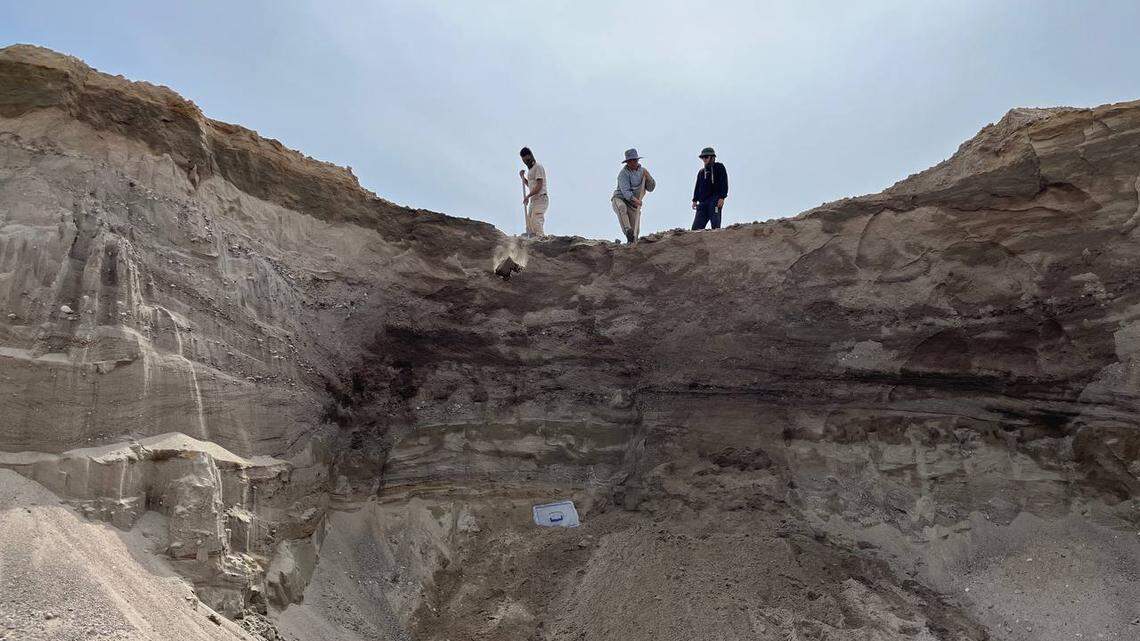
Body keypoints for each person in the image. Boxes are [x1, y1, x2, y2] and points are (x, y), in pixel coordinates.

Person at [611, 148, 656, 243]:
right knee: (622, 207)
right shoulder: (623, 174)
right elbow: (626, 193)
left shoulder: (643, 171)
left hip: (633, 205)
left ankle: (631, 244)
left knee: (636, 233)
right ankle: (628, 230)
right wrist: (637, 201)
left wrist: (648, 176)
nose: (632, 163)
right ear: (627, 162)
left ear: (637, 160)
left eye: (634, 160)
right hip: (620, 199)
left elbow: (651, 188)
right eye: (630, 161)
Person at [691, 147, 728, 230]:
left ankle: (717, 237)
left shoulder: (719, 167)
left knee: (715, 225)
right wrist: (695, 200)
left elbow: (724, 182)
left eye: (706, 157)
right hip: (703, 202)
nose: (704, 159)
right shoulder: (701, 172)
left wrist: (722, 197)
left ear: (712, 157)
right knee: (695, 229)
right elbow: (697, 187)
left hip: (715, 200)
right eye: (702, 157)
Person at [519, 147, 548, 237]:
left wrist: (527, 196)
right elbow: (531, 186)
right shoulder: (530, 171)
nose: (526, 162)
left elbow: (539, 186)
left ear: (531, 156)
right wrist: (523, 178)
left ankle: (541, 238)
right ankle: (533, 240)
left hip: (541, 197)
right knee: (530, 223)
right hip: (533, 200)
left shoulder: (538, 167)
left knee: (536, 219)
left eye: (527, 160)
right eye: (524, 161)